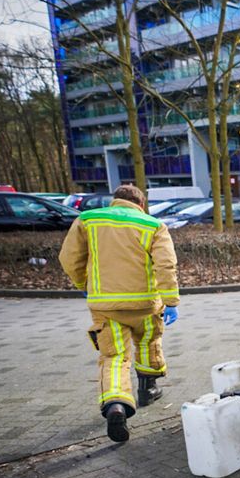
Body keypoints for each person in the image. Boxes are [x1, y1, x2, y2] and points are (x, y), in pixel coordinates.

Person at [58, 184, 180, 443]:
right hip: (145, 304)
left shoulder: (88, 220)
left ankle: (116, 405)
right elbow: (165, 264)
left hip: (105, 306)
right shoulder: (153, 225)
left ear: (115, 201)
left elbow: (69, 258)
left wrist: (84, 285)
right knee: (149, 342)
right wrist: (170, 301)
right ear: (141, 204)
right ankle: (148, 390)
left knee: (114, 356)